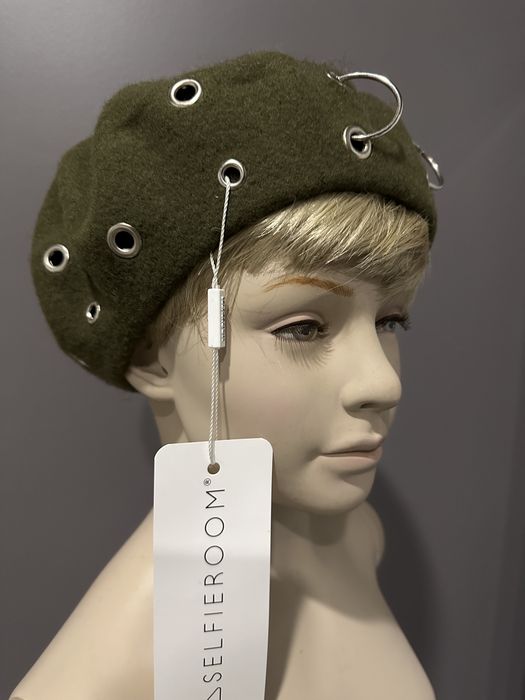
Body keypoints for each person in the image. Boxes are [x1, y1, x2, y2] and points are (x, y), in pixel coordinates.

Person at [11, 50, 442, 699]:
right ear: (151, 356)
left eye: (390, 321)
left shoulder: (354, 536)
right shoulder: (116, 657)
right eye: (303, 327)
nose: (383, 384)